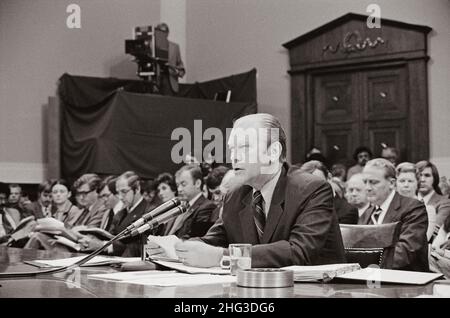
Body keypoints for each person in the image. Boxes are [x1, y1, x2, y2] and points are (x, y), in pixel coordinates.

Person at [174, 113, 345, 268]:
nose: (234, 156)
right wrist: (178, 249)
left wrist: (223, 257)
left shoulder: (311, 189)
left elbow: (299, 251)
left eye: (244, 147)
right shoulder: (235, 194)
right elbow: (215, 241)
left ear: (273, 151)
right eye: (232, 149)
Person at [359, 158, 429, 271]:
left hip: (406, 282)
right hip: (371, 280)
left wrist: (368, 267)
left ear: (391, 183)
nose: (367, 188)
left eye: (373, 182)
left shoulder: (413, 208)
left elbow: (406, 251)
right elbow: (359, 250)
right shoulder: (366, 215)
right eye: (365, 182)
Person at [163, 164, 216, 238]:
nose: (179, 189)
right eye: (178, 185)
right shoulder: (179, 207)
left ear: (197, 183)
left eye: (183, 184)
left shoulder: (207, 207)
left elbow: (195, 237)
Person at [299, 160, 358, 224]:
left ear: (329, 178)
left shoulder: (347, 211)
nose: (314, 189)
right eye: (308, 186)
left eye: (319, 183)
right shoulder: (299, 209)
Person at [395, 162, 436, 241]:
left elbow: (420, 240)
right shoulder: (389, 208)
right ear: (395, 184)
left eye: (410, 181)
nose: (406, 185)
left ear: (417, 184)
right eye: (402, 181)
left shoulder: (428, 210)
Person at [416, 160, 450, 229]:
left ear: (435, 179)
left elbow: (434, 229)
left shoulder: (445, 203)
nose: (422, 179)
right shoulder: (409, 200)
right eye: (419, 175)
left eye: (427, 175)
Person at [155, 22, 185, 95]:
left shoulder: (175, 47)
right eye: (159, 31)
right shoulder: (152, 47)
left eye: (163, 32)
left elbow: (180, 64)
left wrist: (178, 71)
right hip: (155, 81)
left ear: (167, 33)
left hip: (170, 81)